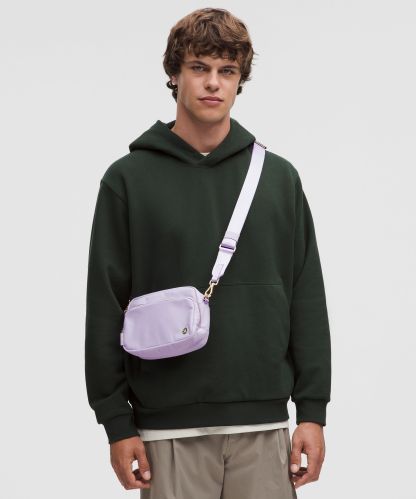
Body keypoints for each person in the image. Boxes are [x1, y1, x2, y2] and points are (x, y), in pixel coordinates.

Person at [84, 7, 331, 498]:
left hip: (264, 426)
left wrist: (312, 411)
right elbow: (105, 304)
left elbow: (306, 295)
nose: (213, 83)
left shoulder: (278, 178)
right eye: (199, 67)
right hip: (165, 431)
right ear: (174, 74)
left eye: (227, 70)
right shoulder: (127, 180)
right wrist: (116, 422)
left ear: (240, 81)